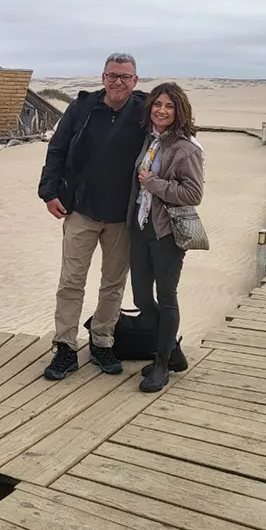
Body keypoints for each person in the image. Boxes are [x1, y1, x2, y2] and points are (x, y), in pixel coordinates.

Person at [37, 52, 147, 380]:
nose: (118, 82)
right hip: (80, 211)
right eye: (112, 75)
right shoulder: (82, 108)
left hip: (122, 217)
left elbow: (172, 139)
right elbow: (56, 149)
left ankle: (102, 341)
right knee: (71, 281)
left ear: (135, 81)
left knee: (113, 284)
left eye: (125, 77)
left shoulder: (145, 112)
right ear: (102, 78)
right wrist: (49, 192)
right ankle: (65, 348)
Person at [126, 82, 204, 392]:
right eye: (158, 104)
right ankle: (174, 352)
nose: (162, 110)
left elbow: (193, 193)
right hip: (141, 227)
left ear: (179, 111)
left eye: (169, 106)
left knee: (166, 297)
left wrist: (155, 183)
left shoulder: (187, 148)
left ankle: (161, 363)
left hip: (167, 232)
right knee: (142, 297)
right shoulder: (150, 139)